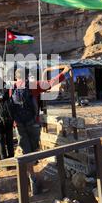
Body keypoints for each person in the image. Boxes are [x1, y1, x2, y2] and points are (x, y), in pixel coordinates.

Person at [9, 65, 71, 196]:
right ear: (27, 76)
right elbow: (50, 83)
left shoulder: (12, 88)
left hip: (19, 125)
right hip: (32, 123)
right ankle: (33, 181)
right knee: (32, 152)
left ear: (16, 77)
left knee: (25, 151)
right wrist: (64, 72)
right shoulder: (33, 85)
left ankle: (29, 177)